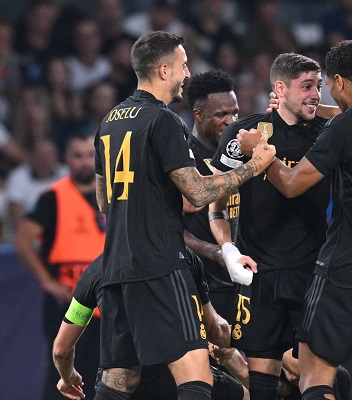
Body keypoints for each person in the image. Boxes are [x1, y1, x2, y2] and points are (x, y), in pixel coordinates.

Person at [94, 30, 275, 400]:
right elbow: (196, 193)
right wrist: (253, 167)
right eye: (183, 65)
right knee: (197, 378)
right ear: (164, 70)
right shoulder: (163, 121)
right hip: (160, 265)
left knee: (119, 381)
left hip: (116, 269)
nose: (188, 73)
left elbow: (105, 201)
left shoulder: (109, 121)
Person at [262, 39, 352, 400]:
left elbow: (292, 184)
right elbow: (351, 119)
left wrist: (261, 154)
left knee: (314, 376)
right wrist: (305, 108)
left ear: (339, 81)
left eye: (327, 86)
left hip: (345, 269)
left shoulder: (344, 129)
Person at [210, 51, 330, 400]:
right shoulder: (244, 133)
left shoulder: (327, 132)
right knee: (263, 389)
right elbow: (214, 205)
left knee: (319, 383)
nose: (315, 94)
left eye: (319, 86)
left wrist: (311, 108)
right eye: (306, 86)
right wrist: (229, 248)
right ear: (280, 87)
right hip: (260, 275)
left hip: (312, 275)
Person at [53, 249, 248, 400]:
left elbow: (61, 350)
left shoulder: (96, 272)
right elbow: (216, 330)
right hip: (180, 379)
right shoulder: (184, 258)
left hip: (119, 387)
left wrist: (68, 377)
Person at [13, 134, 104, 400]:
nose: (85, 162)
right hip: (68, 302)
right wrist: (47, 282)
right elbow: (22, 239)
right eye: (78, 156)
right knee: (62, 373)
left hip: (106, 304)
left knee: (105, 375)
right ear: (66, 160)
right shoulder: (53, 198)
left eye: (90, 155)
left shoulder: (110, 194)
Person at [181, 69, 243, 322]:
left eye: (234, 112)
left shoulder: (243, 152)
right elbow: (170, 227)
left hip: (242, 282)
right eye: (221, 115)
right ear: (198, 115)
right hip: (203, 287)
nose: (231, 121)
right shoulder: (183, 161)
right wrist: (216, 253)